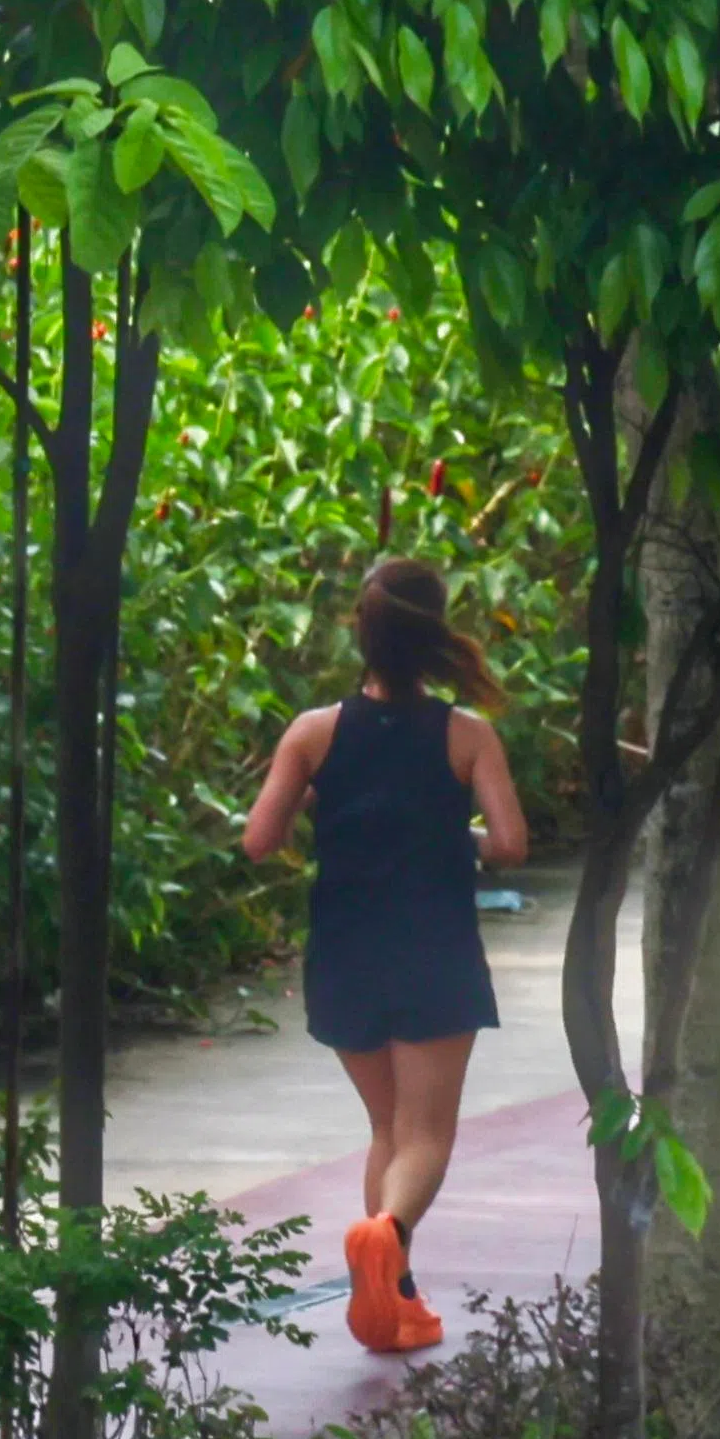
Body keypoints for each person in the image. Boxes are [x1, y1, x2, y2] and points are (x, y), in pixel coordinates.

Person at [243, 558, 529, 1353]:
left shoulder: (312, 732)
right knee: (426, 1136)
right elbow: (509, 846)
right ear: (434, 636)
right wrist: (456, 834)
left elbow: (258, 840)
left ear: (360, 632)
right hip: (433, 948)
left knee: (386, 1127)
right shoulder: (467, 736)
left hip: (344, 950)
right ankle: (388, 1236)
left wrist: (312, 793)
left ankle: (391, 1303)